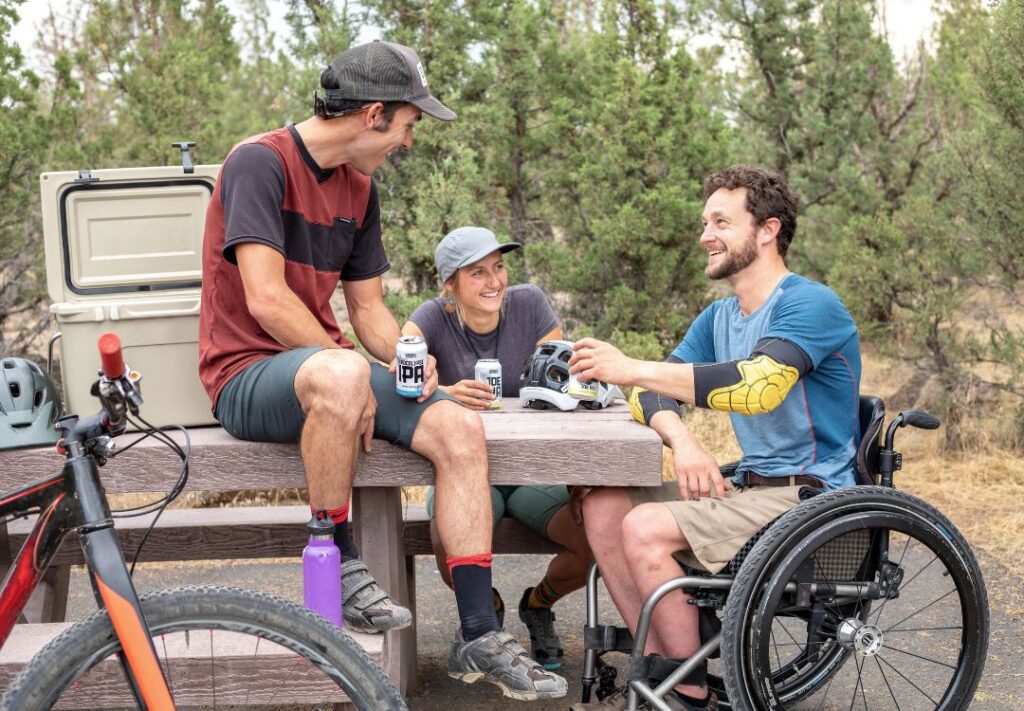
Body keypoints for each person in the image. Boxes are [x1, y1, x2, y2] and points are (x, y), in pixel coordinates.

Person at [198, 41, 566, 701]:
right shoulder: (259, 163)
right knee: (342, 378)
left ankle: (479, 628)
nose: (407, 141)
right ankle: (336, 554)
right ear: (373, 115)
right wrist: (347, 365)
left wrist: (408, 362)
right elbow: (266, 297)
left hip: (326, 366)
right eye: (407, 125)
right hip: (245, 373)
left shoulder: (359, 189)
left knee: (457, 427)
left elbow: (367, 307)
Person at [568, 165, 861, 711]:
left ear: (767, 230)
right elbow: (647, 397)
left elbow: (758, 387)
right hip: (751, 487)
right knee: (604, 503)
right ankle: (667, 667)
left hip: (809, 497)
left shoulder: (810, 305)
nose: (706, 235)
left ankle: (687, 692)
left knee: (645, 527)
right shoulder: (720, 316)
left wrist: (631, 367)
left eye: (722, 222)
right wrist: (681, 440)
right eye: (706, 222)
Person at [401, 226, 594, 671]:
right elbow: (398, 375)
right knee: (449, 546)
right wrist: (443, 391)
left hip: (531, 474)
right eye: (477, 273)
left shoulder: (529, 304)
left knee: (596, 540)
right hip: (462, 474)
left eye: (499, 267)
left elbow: (562, 385)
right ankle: (486, 616)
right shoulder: (430, 317)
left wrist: (579, 478)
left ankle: (537, 605)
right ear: (450, 285)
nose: (495, 282)